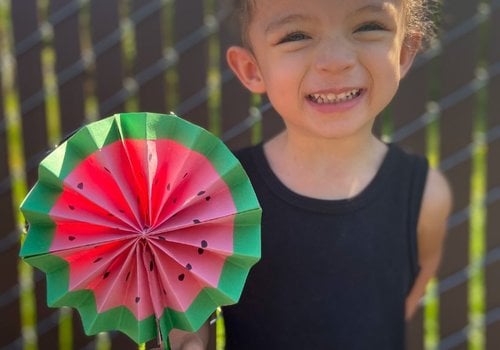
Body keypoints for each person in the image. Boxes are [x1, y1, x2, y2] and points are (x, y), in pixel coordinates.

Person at [170, 0, 452, 348]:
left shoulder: (425, 196)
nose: (336, 61)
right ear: (251, 69)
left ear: (405, 51)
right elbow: (190, 318)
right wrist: (187, 340)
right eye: (297, 35)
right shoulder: (217, 196)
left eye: (368, 27)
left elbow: (405, 297)